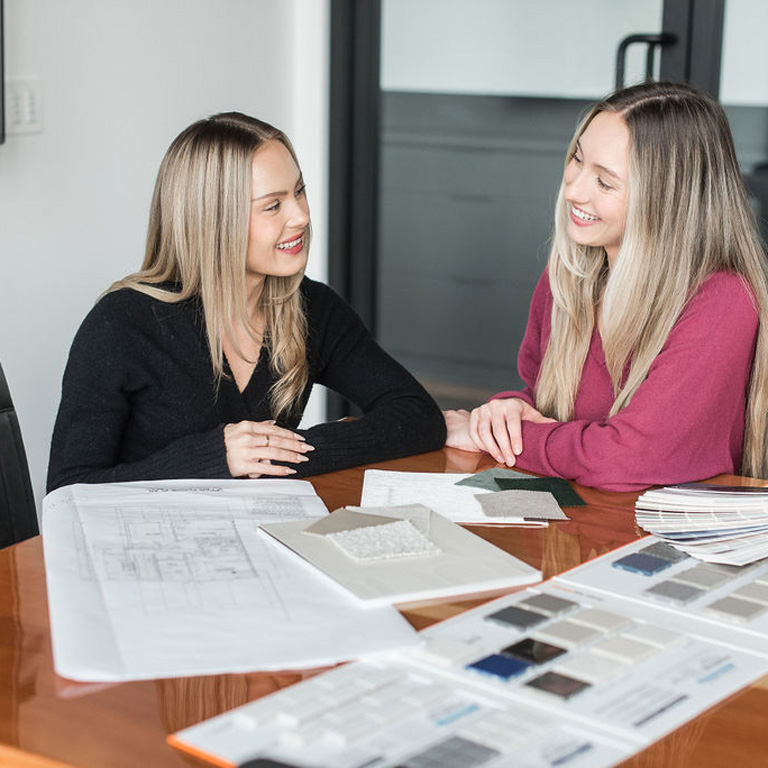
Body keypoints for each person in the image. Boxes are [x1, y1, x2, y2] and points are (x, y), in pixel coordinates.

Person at [47, 112, 445, 492]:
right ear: (215, 221)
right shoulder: (121, 324)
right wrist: (214, 457)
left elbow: (416, 416)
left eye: (299, 191)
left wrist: (279, 452)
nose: (301, 216)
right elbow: (68, 488)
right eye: (273, 205)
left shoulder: (312, 308)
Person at [445, 81, 768, 492]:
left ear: (665, 201)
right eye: (577, 160)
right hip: (578, 517)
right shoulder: (570, 275)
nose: (573, 189)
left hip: (662, 539)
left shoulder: (722, 300)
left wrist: (502, 439)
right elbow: (547, 403)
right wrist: (508, 412)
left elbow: (629, 457)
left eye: (605, 182)